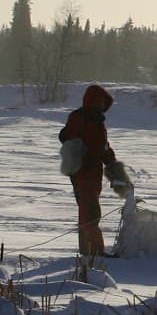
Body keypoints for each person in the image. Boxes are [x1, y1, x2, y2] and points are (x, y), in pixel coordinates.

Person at [59, 83, 122, 257]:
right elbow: (70, 140)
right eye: (100, 101)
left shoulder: (97, 120)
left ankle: (88, 250)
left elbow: (103, 148)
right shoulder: (80, 118)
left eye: (104, 102)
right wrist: (80, 162)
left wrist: (113, 168)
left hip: (94, 173)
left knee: (88, 211)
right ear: (92, 100)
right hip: (83, 172)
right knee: (90, 212)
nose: (102, 105)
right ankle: (94, 252)